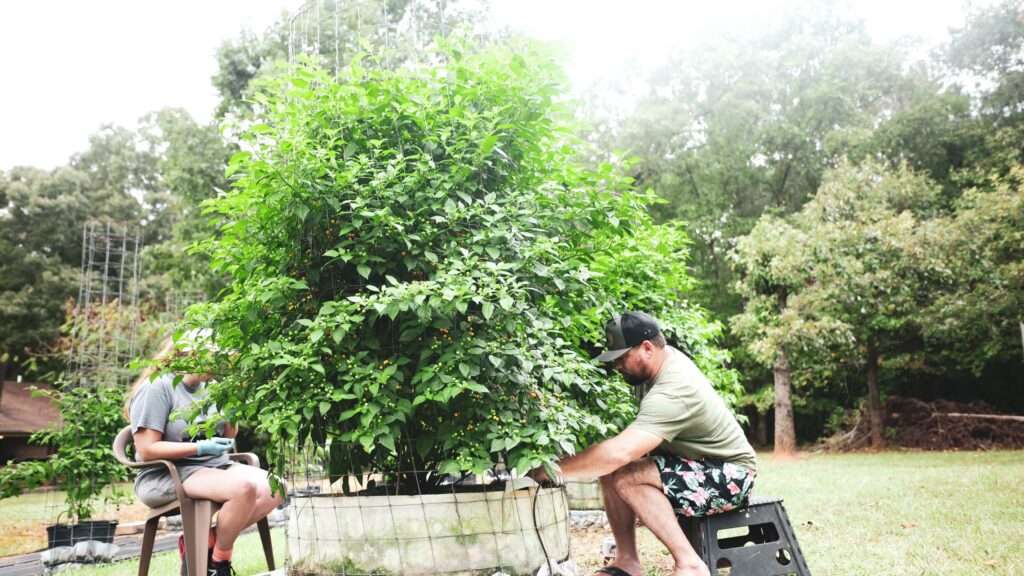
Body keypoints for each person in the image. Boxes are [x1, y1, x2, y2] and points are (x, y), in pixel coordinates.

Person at [528, 312, 756, 576]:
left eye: (622, 358)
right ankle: (627, 561)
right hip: (698, 465)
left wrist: (550, 469)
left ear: (647, 348)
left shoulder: (673, 387)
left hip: (731, 476)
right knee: (615, 471)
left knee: (625, 474)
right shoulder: (655, 368)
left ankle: (691, 565)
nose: (617, 367)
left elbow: (619, 452)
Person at [124, 334, 283, 576]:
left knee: (277, 487)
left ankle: (209, 548)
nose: (223, 366)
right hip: (168, 473)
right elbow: (146, 450)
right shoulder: (158, 387)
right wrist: (199, 448)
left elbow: (228, 435)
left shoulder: (210, 387)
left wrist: (232, 404)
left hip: (213, 466)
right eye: (218, 359)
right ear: (196, 355)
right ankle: (220, 565)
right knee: (243, 489)